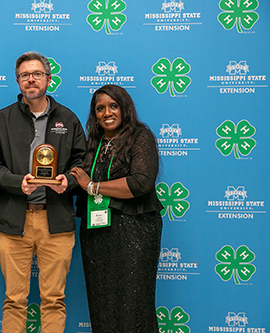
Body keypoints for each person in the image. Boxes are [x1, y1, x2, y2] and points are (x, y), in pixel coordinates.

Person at [0, 51, 86, 333]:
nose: (31, 80)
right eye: (24, 75)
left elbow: (82, 162)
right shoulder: (1, 120)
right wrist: (17, 182)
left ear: (48, 79)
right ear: (17, 81)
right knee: (14, 300)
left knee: (54, 299)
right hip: (13, 221)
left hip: (56, 221)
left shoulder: (68, 119)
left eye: (37, 74)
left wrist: (69, 181)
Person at [69, 84, 163, 332]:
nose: (106, 113)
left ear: (125, 109)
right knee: (102, 302)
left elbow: (140, 182)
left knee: (134, 303)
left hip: (136, 231)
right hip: (97, 234)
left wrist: (93, 186)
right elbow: (79, 180)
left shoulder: (140, 136)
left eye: (113, 106)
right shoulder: (94, 142)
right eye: (100, 108)